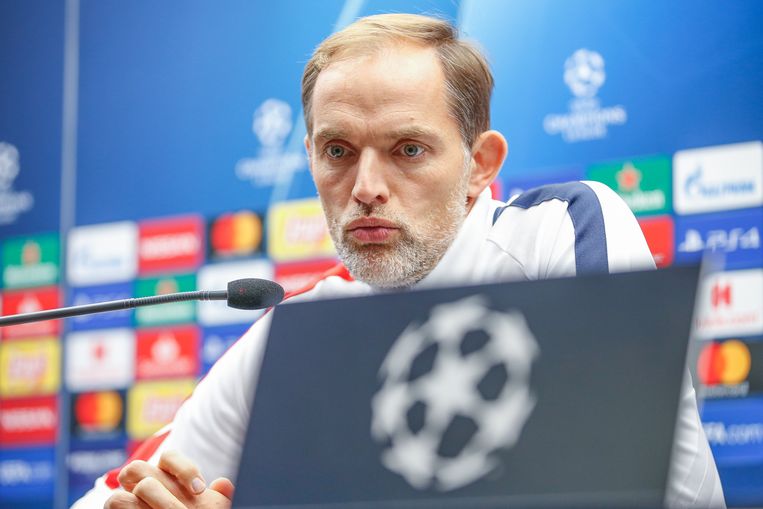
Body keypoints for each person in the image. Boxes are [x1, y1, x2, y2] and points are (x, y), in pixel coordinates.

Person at [75, 13, 725, 509]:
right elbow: (110, 495)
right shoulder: (297, 327)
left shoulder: (558, 231)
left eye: (407, 149)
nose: (365, 188)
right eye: (337, 151)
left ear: (480, 164)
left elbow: (629, 486)